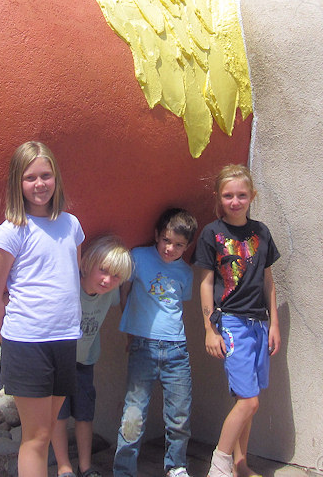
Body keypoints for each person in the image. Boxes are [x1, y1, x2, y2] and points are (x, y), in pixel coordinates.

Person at [0, 141, 84, 477]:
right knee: (36, 437)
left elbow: (73, 279)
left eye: (46, 175)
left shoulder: (72, 225)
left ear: (56, 178)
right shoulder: (10, 231)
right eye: (30, 178)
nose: (39, 184)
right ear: (17, 183)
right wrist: (7, 340)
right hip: (27, 344)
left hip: (64, 340)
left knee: (51, 426)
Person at [196, 165, 281, 477]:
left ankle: (240, 464)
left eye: (241, 195)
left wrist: (273, 324)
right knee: (249, 401)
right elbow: (205, 283)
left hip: (259, 324)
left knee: (252, 397)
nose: (235, 201)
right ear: (219, 197)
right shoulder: (212, 234)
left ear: (252, 197)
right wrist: (209, 329)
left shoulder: (262, 233)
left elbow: (269, 282)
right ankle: (220, 464)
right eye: (228, 195)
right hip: (231, 323)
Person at [113, 208, 198, 477]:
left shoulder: (185, 273)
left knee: (179, 416)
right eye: (165, 240)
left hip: (176, 350)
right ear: (156, 236)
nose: (170, 248)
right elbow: (124, 294)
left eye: (178, 245)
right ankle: (124, 470)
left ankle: (176, 466)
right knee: (133, 415)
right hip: (142, 347)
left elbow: (176, 306)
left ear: (187, 246)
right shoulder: (138, 257)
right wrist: (130, 331)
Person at [50, 235, 134, 477]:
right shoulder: (70, 286)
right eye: (103, 271)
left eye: (116, 276)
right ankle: (64, 466)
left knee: (85, 414)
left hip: (85, 360)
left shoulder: (111, 292)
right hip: (59, 361)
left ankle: (85, 466)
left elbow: (124, 294)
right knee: (59, 415)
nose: (108, 280)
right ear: (87, 264)